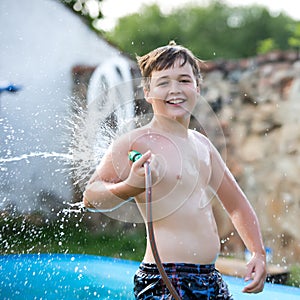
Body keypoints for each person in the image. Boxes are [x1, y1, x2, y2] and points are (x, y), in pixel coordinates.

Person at [82, 41, 267, 299]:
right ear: (147, 91)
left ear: (197, 87)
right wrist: (130, 186)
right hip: (165, 278)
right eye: (163, 82)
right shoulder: (136, 143)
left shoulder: (203, 145)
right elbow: (91, 196)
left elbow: (236, 204)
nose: (175, 89)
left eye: (183, 80)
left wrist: (257, 252)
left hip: (210, 278)